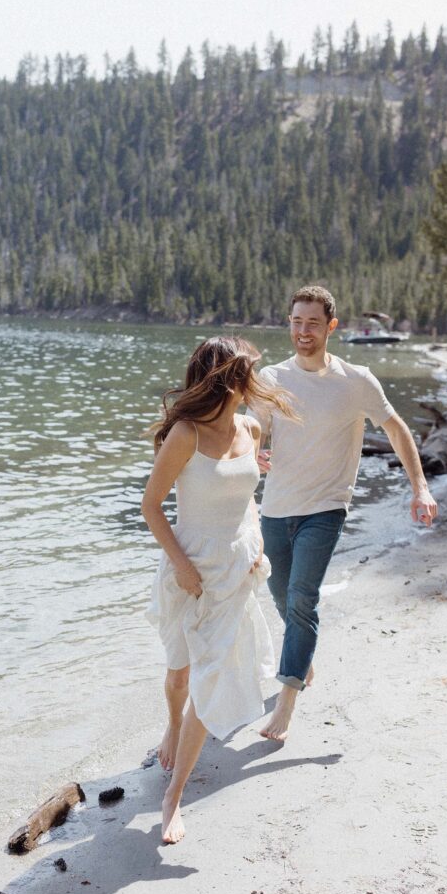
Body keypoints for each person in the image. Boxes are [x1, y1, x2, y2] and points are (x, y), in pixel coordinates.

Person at [248, 285, 438, 742]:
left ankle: (287, 700)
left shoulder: (357, 381)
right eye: (296, 321)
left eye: (313, 323)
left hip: (327, 508)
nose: (303, 331)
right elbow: (253, 430)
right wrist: (251, 456)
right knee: (280, 597)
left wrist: (421, 487)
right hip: (275, 508)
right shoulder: (272, 378)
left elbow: (396, 429)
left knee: (301, 597)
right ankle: (303, 657)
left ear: (331, 326)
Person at [142, 336, 295, 844]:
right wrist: (182, 567)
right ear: (231, 377)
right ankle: (171, 723)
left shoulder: (251, 427)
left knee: (209, 679)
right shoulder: (185, 433)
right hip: (191, 565)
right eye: (251, 371)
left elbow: (248, 496)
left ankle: (173, 799)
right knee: (180, 671)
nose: (260, 379)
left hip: (235, 571)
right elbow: (151, 507)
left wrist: (255, 540)